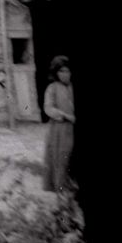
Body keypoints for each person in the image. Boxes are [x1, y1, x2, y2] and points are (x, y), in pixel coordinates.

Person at [42, 55, 75, 193]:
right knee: (59, 156)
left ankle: (68, 182)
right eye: (61, 71)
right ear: (56, 73)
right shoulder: (52, 88)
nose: (65, 74)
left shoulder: (71, 87)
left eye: (67, 71)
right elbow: (48, 107)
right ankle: (58, 187)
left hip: (72, 128)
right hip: (59, 129)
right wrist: (65, 115)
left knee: (71, 156)